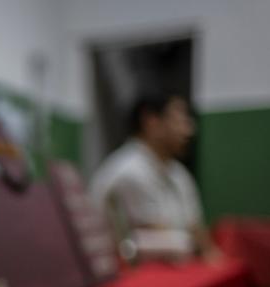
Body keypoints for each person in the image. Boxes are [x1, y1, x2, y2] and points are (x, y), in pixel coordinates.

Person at [90, 91, 218, 262]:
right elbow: (164, 245)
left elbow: (198, 234)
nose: (189, 130)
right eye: (180, 120)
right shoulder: (129, 172)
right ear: (151, 121)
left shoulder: (179, 173)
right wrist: (193, 245)